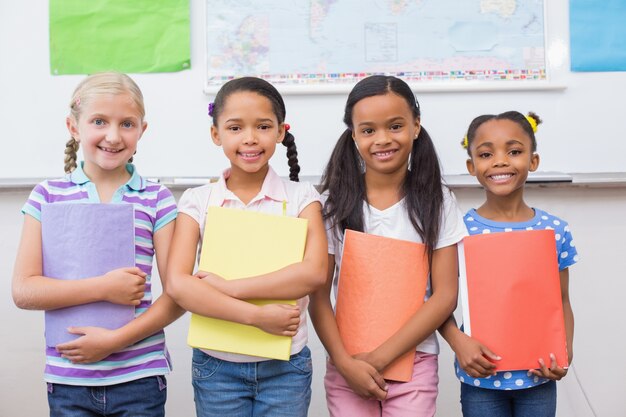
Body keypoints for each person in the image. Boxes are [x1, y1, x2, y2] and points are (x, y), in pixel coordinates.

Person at [12, 72, 184, 416]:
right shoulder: (47, 196)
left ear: (142, 130)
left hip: (140, 378)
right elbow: (24, 291)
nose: (113, 135)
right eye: (99, 121)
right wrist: (104, 288)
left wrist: (114, 341)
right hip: (69, 379)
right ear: (74, 127)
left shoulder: (157, 199)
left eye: (127, 124)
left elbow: (178, 295)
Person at [165, 76, 327, 417]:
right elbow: (178, 285)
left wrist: (229, 288)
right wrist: (256, 316)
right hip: (216, 366)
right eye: (235, 128)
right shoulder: (197, 200)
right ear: (216, 134)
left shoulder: (302, 197)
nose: (250, 138)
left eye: (263, 126)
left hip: (285, 366)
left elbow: (314, 273)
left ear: (281, 132)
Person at [309, 75, 466, 417]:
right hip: (348, 362)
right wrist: (344, 362)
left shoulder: (438, 201)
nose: (382, 139)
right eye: (368, 130)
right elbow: (318, 296)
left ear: (416, 126)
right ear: (353, 134)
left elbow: (444, 295)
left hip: (415, 361)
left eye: (395, 126)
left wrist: (379, 357)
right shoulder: (332, 205)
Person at [439, 111, 578, 417]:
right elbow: (435, 298)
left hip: (538, 376)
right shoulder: (458, 230)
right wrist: (457, 342)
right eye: (487, 154)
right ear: (471, 166)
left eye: (514, 151)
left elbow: (562, 299)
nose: (501, 161)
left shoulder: (554, 230)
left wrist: (564, 351)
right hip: (481, 380)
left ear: (533, 161)